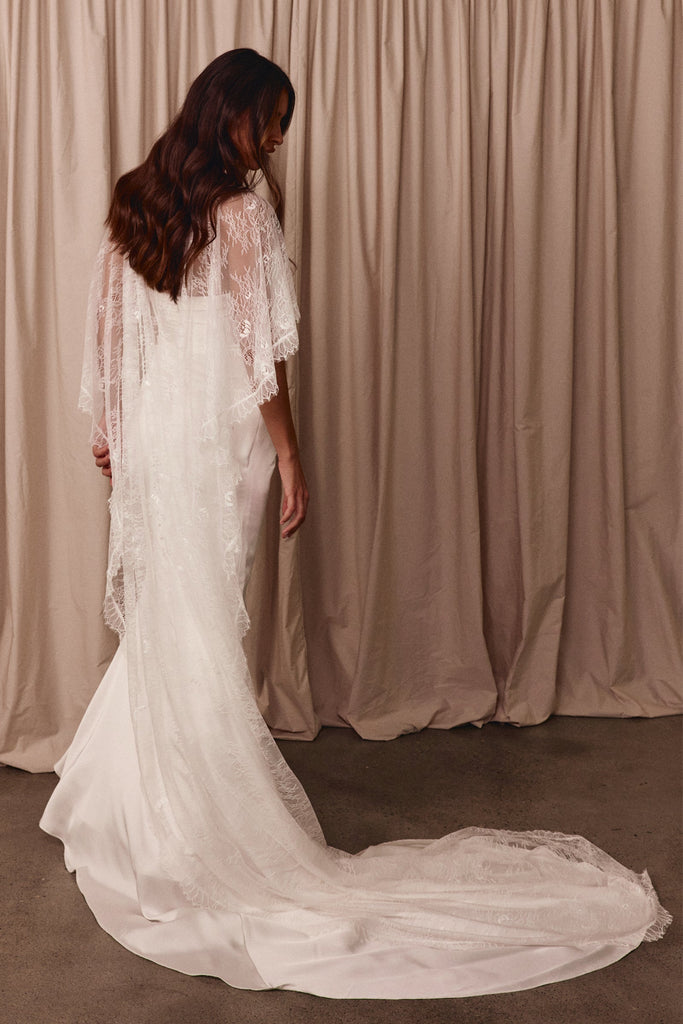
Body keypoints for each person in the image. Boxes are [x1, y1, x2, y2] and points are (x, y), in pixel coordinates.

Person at [41, 49, 670, 1000]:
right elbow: (260, 363)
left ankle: (124, 807)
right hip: (213, 445)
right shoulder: (243, 210)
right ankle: (178, 821)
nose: (278, 142)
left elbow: (108, 327)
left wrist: (112, 428)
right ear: (236, 116)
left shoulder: (138, 195)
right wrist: (290, 455)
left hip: (158, 437)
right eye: (272, 123)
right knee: (199, 625)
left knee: (177, 622)